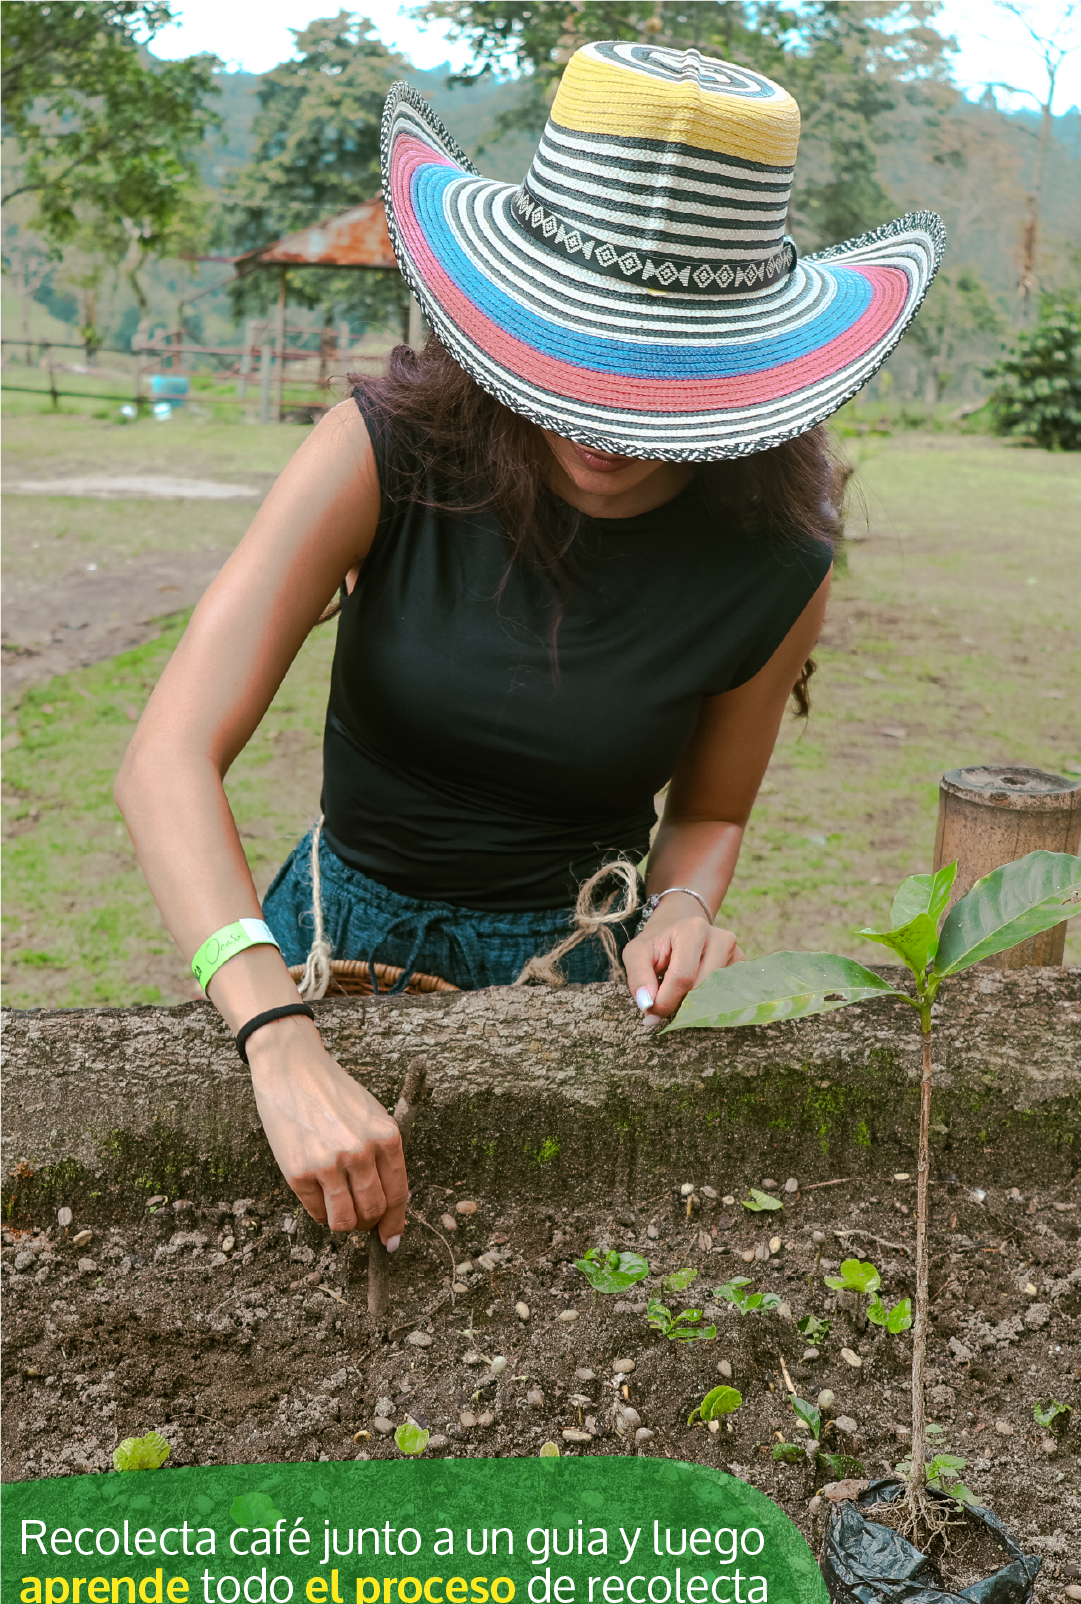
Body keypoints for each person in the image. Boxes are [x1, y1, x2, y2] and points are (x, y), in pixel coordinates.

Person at [115, 41, 943, 1257]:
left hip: (570, 980)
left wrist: (680, 907)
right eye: (577, 354)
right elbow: (166, 756)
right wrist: (274, 1036)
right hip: (318, 945)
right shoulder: (384, 452)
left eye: (655, 375)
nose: (601, 424)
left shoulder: (774, 564)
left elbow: (708, 814)